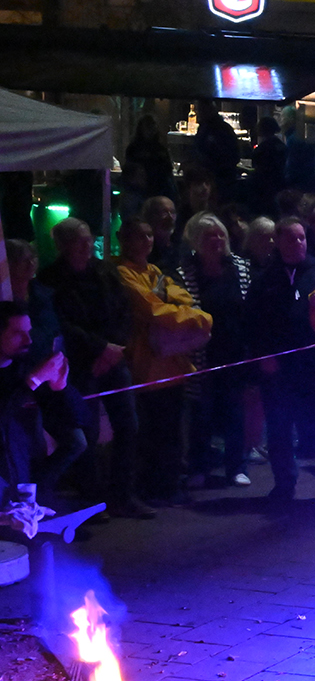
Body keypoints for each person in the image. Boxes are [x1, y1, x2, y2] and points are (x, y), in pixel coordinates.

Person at [42, 218, 150, 518]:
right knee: (87, 432)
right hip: (80, 363)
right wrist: (99, 348)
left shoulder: (105, 271)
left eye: (88, 239)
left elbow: (123, 311)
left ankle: (123, 495)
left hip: (113, 357)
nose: (86, 245)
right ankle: (92, 500)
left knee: (128, 425)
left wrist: (114, 348)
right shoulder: (51, 279)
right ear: (62, 245)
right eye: (78, 241)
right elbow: (62, 324)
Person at [249, 217, 315, 502]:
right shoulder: (264, 279)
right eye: (291, 238)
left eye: (301, 238)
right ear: (278, 242)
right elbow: (252, 322)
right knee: (279, 427)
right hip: (278, 366)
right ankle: (284, 484)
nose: (298, 243)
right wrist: (263, 355)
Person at [115, 216, 212, 505]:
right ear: (124, 240)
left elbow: (183, 299)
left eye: (149, 235)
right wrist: (198, 318)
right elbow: (152, 310)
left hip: (172, 363)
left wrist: (185, 311)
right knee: (152, 432)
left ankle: (169, 485)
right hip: (146, 366)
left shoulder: (155, 271)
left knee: (172, 430)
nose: (146, 241)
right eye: (139, 236)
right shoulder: (122, 273)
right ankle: (153, 488)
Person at [176, 213, 253, 489]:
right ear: (196, 240)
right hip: (201, 354)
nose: (217, 240)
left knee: (235, 412)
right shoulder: (185, 273)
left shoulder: (241, 268)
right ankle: (199, 467)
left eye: (220, 234)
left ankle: (236, 467)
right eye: (210, 236)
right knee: (201, 414)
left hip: (234, 351)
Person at [0, 302, 69, 499]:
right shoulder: (29, 374)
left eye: (29, 332)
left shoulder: (25, 364)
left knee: (77, 441)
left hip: (27, 464)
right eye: (17, 334)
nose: (28, 340)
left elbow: (79, 418)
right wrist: (34, 381)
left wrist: (60, 387)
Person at [123, 114, 175, 203]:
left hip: (159, 189)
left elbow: (168, 170)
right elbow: (129, 170)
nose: (151, 129)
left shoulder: (160, 148)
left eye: (153, 126)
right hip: (138, 190)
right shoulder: (134, 148)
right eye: (148, 126)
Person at [248, 117, 286, 210]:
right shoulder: (281, 145)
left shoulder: (263, 148)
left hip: (263, 186)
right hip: (279, 183)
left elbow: (256, 166)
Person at [142, 196, 179, 270]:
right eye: (164, 212)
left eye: (172, 212)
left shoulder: (179, 244)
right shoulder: (144, 250)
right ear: (150, 216)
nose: (170, 217)